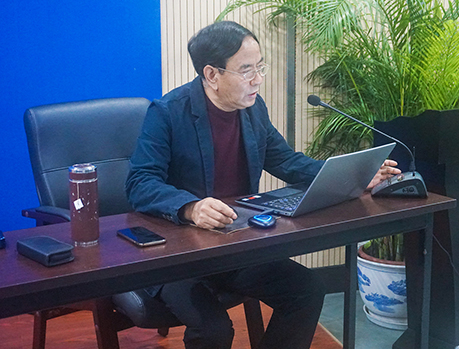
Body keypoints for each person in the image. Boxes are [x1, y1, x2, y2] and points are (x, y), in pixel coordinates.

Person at [126, 20, 401, 349]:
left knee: (307, 289)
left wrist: (354, 175)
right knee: (214, 329)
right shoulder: (168, 113)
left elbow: (286, 161)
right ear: (212, 75)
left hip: (235, 246)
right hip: (179, 257)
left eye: (260, 67)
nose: (258, 79)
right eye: (246, 70)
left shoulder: (253, 109)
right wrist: (191, 207)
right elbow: (140, 182)